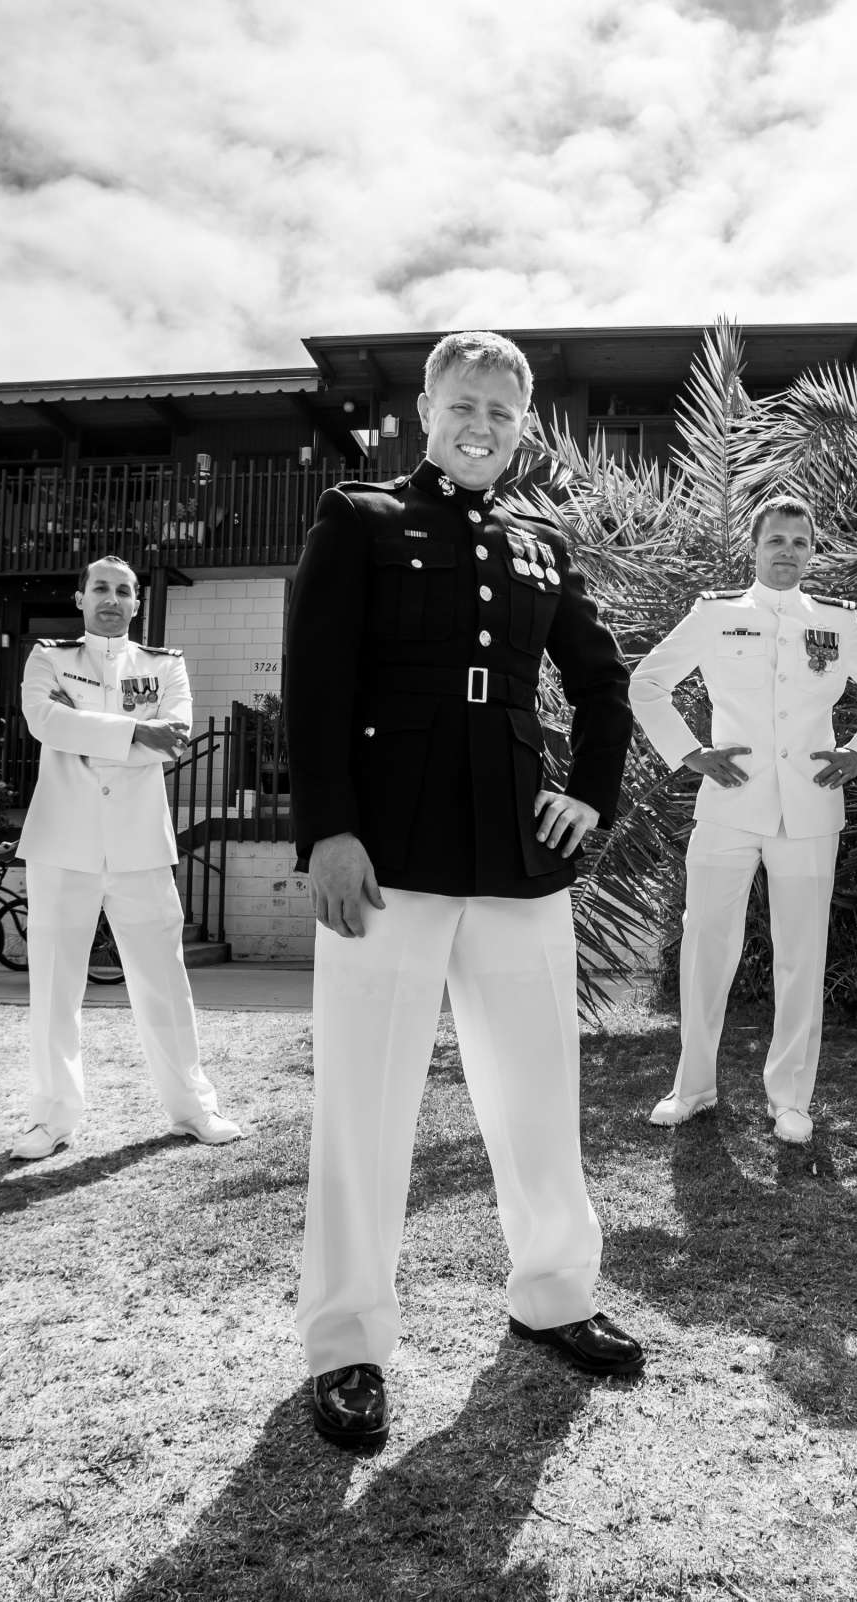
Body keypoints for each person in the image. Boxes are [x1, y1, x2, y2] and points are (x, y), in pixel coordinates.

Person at [285, 330, 642, 1450]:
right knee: (366, 1102)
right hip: (386, 853)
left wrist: (588, 794)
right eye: (463, 403)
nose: (480, 423)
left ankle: (555, 1295)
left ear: (522, 426)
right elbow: (313, 685)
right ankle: (348, 1343)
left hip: (516, 856)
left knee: (538, 1091)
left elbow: (602, 686)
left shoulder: (542, 541)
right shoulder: (361, 518)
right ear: (424, 411)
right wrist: (329, 832)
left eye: (502, 408)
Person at [628, 497, 857, 1143]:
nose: (788, 551)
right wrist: (689, 752)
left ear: (814, 551)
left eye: (801, 542)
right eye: (776, 540)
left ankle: (790, 1099)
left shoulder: (837, 622)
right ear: (753, 546)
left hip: (810, 810)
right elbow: (647, 684)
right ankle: (692, 1088)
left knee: (801, 958)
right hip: (729, 805)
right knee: (706, 950)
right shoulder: (716, 614)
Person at [7, 556, 242, 1160]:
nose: (111, 599)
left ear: (138, 604)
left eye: (123, 591)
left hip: (139, 845)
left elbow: (177, 734)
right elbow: (44, 721)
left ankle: (193, 1107)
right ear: (81, 598)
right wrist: (135, 732)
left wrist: (89, 727)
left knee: (164, 981)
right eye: (100, 589)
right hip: (64, 844)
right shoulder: (48, 657)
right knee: (55, 985)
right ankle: (51, 1116)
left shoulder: (166, 665)